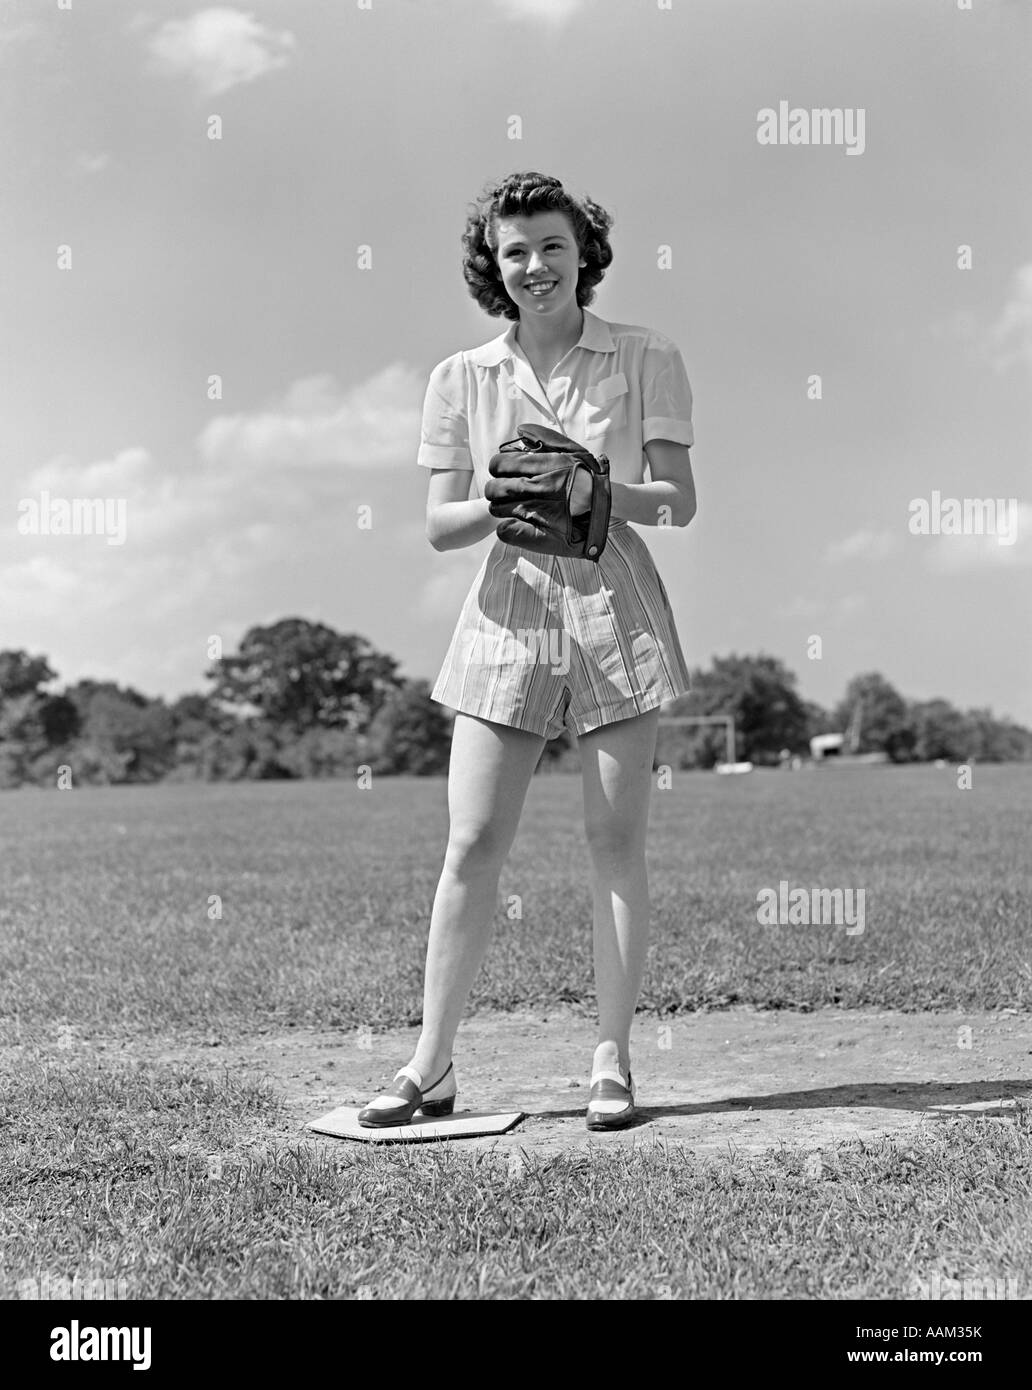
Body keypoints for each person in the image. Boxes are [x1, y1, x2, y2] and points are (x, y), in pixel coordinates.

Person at [359, 171, 697, 1131]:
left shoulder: (645, 356)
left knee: (613, 842)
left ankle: (612, 1066)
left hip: (615, 605)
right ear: (492, 268)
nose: (536, 266)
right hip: (507, 606)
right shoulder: (460, 377)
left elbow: (678, 500)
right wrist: (514, 501)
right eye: (515, 252)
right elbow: (438, 525)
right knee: (471, 841)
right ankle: (429, 1068)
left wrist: (591, 486)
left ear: (582, 250)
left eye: (552, 245)